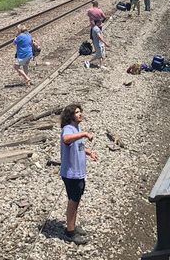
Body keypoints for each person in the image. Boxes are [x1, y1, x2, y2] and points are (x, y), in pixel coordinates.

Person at [59, 104, 98, 245]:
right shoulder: (68, 129)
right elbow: (67, 139)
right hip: (71, 174)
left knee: (76, 200)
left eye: (80, 111)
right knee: (73, 202)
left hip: (79, 173)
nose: (80, 114)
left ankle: (72, 226)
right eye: (77, 112)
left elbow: (79, 145)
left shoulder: (77, 128)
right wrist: (84, 134)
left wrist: (89, 153)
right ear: (70, 115)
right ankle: (70, 232)